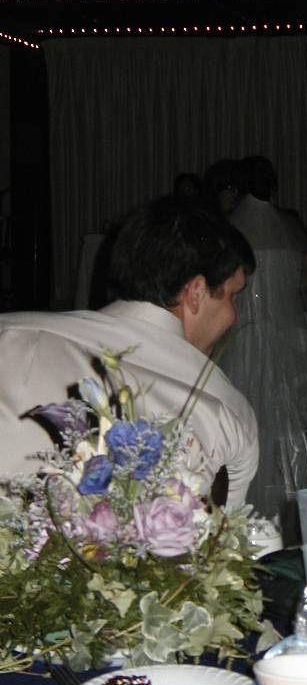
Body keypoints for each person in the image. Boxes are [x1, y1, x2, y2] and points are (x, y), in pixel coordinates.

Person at [0, 195, 258, 507]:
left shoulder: (10, 334)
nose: (235, 316)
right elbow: (226, 529)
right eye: (232, 297)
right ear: (196, 292)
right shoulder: (223, 411)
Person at [220, 156, 307, 527]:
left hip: (243, 335)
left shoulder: (228, 226)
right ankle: (300, 501)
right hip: (293, 335)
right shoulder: (291, 225)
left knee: (249, 417)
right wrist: (287, 290)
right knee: (299, 422)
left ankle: (250, 507)